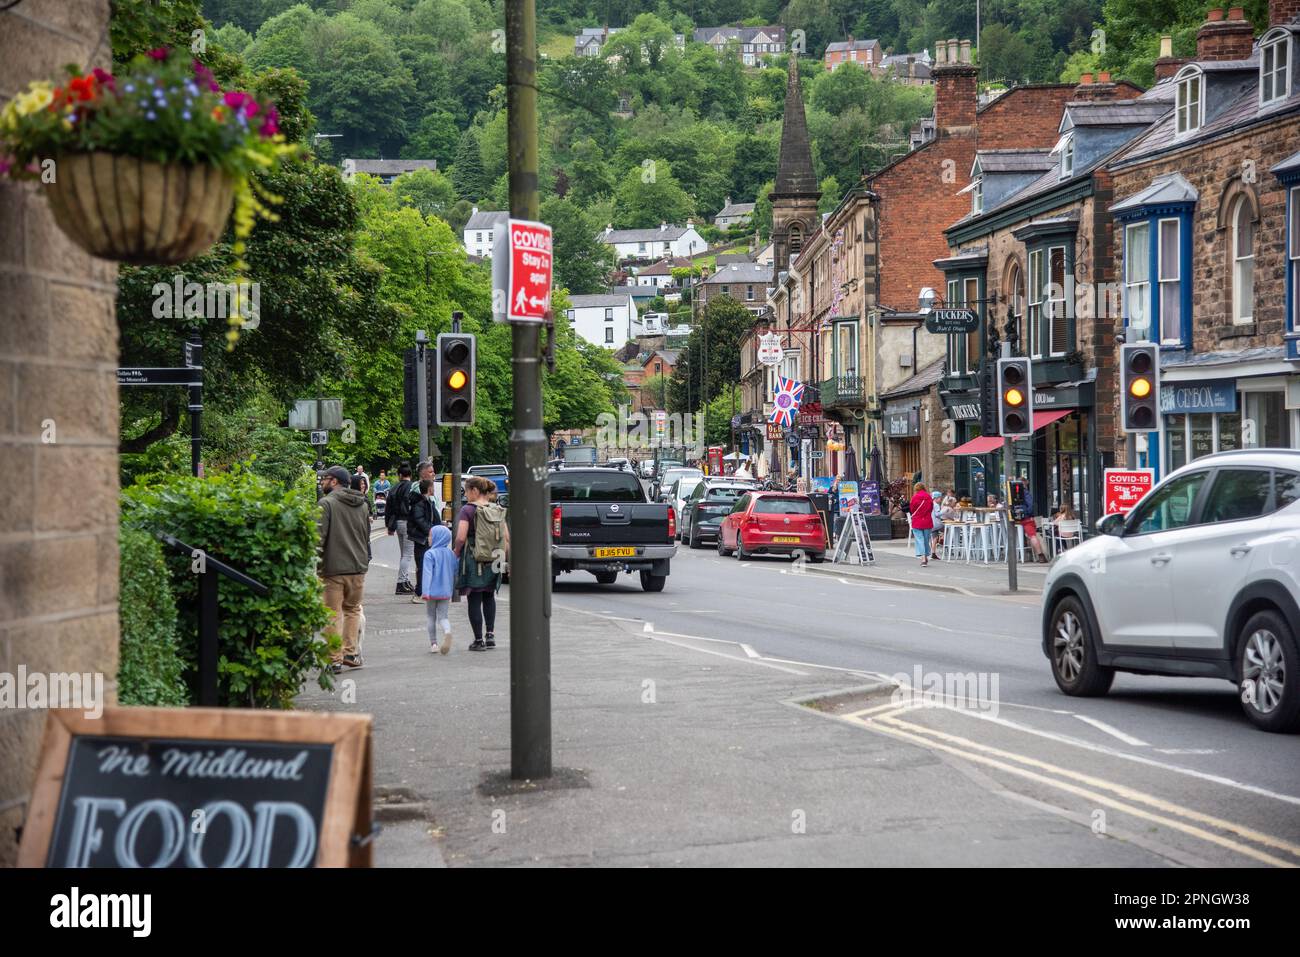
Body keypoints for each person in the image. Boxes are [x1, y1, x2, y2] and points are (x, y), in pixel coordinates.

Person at [318, 466, 371, 672]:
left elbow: (318, 537)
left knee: (333, 613)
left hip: (333, 569)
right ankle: (351, 653)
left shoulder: (326, 504)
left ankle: (334, 659)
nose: (322, 482)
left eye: (325, 479)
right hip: (358, 568)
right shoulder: (363, 504)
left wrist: (314, 564)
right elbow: (365, 537)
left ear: (334, 482)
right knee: (352, 610)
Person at [455, 475, 508, 652]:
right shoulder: (497, 509)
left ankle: (478, 640)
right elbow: (506, 538)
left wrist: (455, 552)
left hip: (474, 559)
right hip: (495, 558)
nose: (466, 494)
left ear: (475, 490)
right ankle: (490, 635)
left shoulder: (468, 510)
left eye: (467, 491)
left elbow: (461, 537)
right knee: (489, 596)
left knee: (474, 599)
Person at [421, 524, 457, 655]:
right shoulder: (450, 554)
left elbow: (427, 574)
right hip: (446, 592)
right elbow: (455, 570)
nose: (429, 538)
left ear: (437, 537)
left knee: (431, 616)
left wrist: (425, 592)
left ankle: (434, 644)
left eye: (431, 535)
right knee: (443, 617)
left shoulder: (429, 554)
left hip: (431, 592)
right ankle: (447, 632)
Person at [407, 472, 439, 604]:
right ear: (429, 488)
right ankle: (419, 593)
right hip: (422, 539)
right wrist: (430, 531)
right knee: (422, 566)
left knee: (427, 566)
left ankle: (425, 592)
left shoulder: (427, 502)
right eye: (433, 487)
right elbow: (419, 520)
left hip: (426, 538)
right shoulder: (420, 503)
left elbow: (433, 518)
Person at [384, 464, 415, 594]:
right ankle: (401, 583)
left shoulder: (394, 488)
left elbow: (388, 508)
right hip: (408, 522)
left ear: (399, 475)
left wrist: (389, 525)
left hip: (397, 523)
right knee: (407, 555)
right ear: (410, 475)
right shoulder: (412, 487)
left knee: (404, 554)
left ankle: (406, 581)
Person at [908, 481, 935, 567]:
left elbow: (912, 509)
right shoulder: (929, 497)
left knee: (920, 540)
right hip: (927, 521)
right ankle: (926, 556)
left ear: (916, 489)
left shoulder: (915, 497)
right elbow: (931, 508)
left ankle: (923, 558)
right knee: (926, 539)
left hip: (917, 521)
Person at [929, 489, 945, 560]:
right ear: (936, 498)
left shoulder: (930, 504)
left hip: (931, 524)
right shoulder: (936, 505)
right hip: (937, 524)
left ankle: (933, 553)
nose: (940, 500)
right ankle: (942, 538)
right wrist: (944, 511)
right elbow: (937, 514)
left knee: (934, 538)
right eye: (940, 498)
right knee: (948, 529)